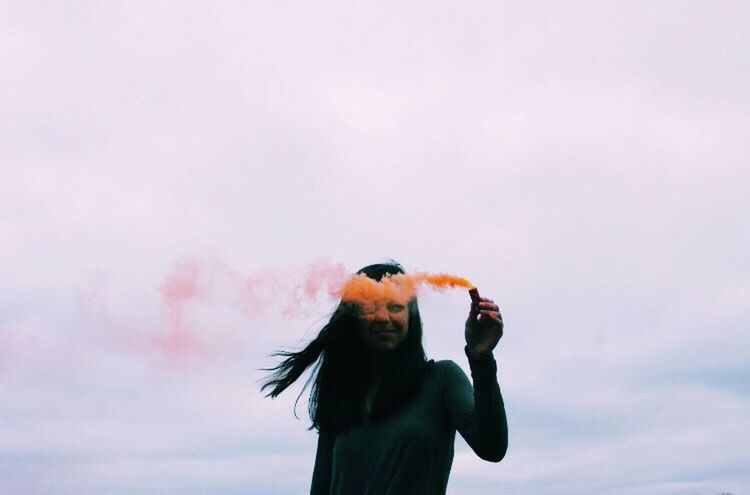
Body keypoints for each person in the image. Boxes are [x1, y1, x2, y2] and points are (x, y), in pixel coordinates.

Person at [259, 261, 508, 495]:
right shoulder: (342, 393)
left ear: (411, 317)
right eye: (370, 307)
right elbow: (321, 487)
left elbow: (492, 447)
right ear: (354, 319)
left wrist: (481, 358)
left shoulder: (442, 380)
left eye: (395, 306)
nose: (383, 317)